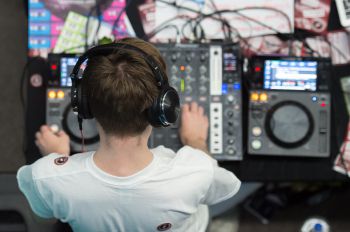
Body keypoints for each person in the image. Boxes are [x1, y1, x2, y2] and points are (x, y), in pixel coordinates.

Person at [17, 37, 241, 232]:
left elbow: (43, 214)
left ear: (84, 105)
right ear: (162, 107)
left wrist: (57, 157)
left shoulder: (45, 176)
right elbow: (225, 189)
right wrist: (196, 140)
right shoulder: (197, 170)